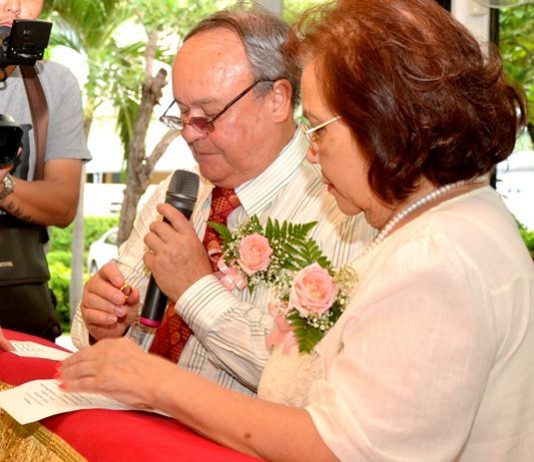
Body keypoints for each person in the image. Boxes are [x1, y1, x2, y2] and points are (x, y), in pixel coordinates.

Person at [59, 0, 534, 459]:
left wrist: (159, 381)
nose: (311, 150)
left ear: (383, 123)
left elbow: (342, 448)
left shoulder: (432, 256)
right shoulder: (458, 218)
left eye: (319, 128)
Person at [70, 5, 375, 395]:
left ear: (278, 99)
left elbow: (309, 381)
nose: (189, 133)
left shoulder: (344, 212)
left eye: (208, 115)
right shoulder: (179, 192)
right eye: (182, 113)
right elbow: (91, 336)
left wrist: (196, 289)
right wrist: (105, 322)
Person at [0, 0, 91, 339]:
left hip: (18, 299)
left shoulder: (55, 84)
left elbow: (63, 204)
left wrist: (2, 185)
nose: (14, 7)